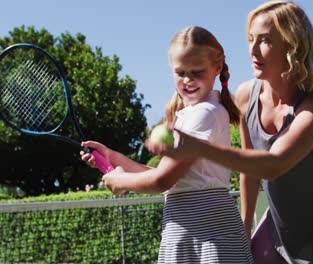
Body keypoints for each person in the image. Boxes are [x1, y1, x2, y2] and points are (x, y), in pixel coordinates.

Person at [148, 1, 313, 263]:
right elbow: (248, 173)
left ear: (292, 45)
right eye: (251, 39)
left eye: (265, 40)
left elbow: (274, 165)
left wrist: (198, 147)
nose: (252, 49)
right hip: (282, 225)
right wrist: (244, 223)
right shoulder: (245, 97)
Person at [80, 26, 254, 264]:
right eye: (180, 72)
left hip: (207, 233)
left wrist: (119, 180)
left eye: (197, 71)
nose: (187, 80)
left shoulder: (206, 114)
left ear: (218, 67)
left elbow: (163, 180)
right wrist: (112, 157)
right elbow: (168, 177)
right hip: (186, 230)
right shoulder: (188, 115)